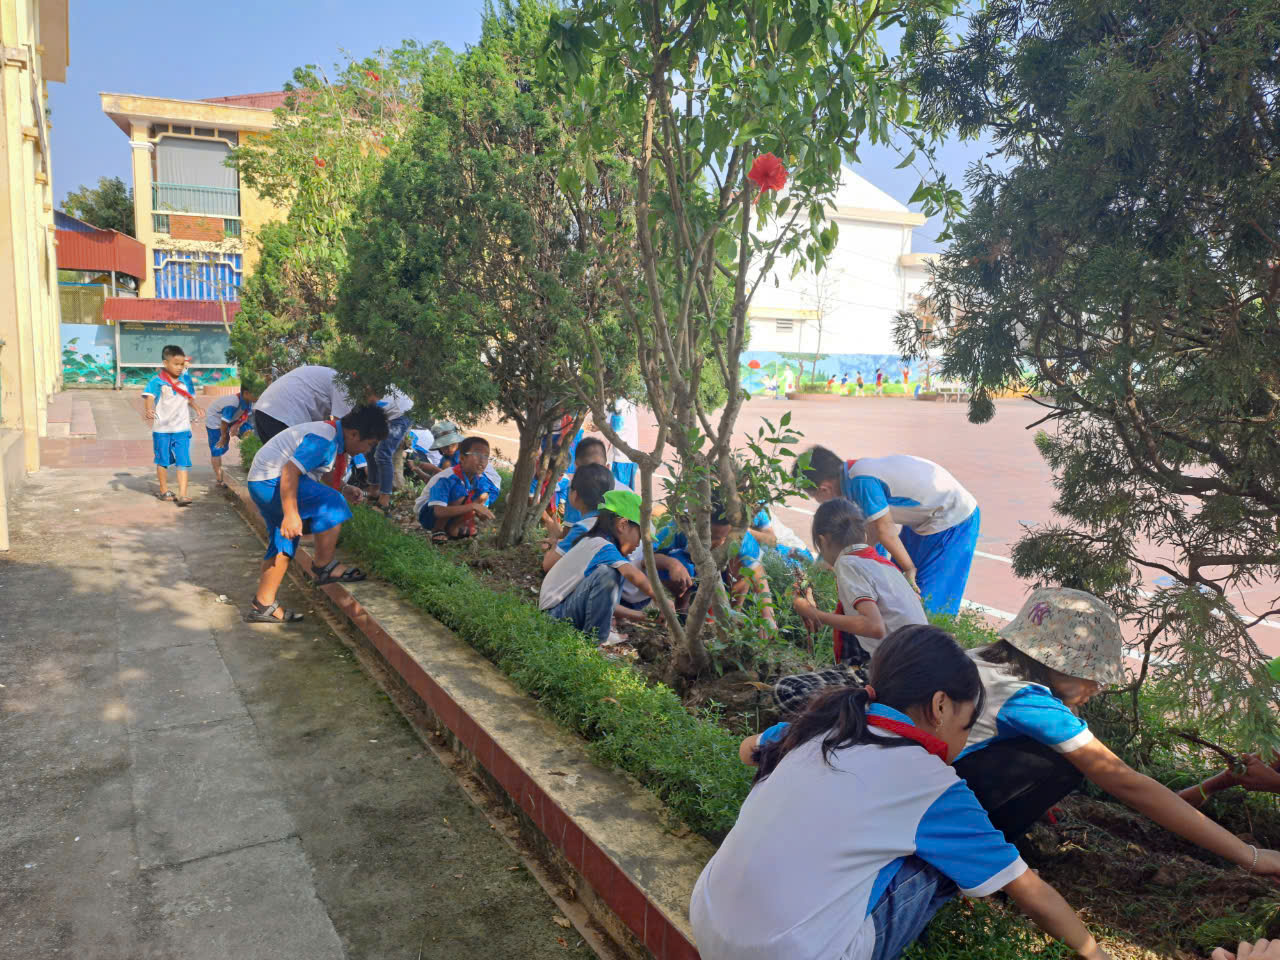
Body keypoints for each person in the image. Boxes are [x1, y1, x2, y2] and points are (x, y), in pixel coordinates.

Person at [697, 625, 1111, 960]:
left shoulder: (822, 726)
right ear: (940, 706)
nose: (964, 740)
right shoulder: (931, 784)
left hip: (709, 923)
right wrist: (1096, 953)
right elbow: (1028, 890)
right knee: (936, 861)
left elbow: (748, 750)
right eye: (967, 725)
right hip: (800, 954)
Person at [244, 405, 389, 623]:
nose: (367, 451)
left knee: (284, 543)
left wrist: (344, 487)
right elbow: (290, 471)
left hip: (262, 482)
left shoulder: (330, 435)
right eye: (369, 444)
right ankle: (325, 566)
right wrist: (291, 513)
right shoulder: (324, 439)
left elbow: (319, 472)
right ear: (353, 434)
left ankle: (262, 604)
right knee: (333, 503)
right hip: (272, 482)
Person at [796, 445, 980, 616]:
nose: (817, 501)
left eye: (813, 496)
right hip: (922, 519)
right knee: (898, 594)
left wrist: (909, 568)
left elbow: (883, 531)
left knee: (925, 601)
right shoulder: (851, 477)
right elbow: (866, 536)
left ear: (824, 489)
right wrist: (831, 562)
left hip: (951, 518)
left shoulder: (861, 482)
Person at [792, 498, 927, 665]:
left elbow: (874, 626)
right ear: (864, 535)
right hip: (922, 656)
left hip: (903, 667)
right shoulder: (884, 565)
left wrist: (814, 614)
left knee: (792, 682)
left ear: (822, 541)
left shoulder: (848, 563)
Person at [539, 490, 654, 644]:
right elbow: (632, 574)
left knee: (611, 573)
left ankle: (596, 639)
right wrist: (661, 599)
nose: (638, 544)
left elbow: (602, 604)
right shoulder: (601, 545)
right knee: (609, 574)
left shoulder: (603, 545)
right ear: (622, 524)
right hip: (554, 614)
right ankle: (594, 643)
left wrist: (642, 616)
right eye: (639, 536)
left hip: (561, 610)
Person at [655, 502, 776, 632]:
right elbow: (647, 557)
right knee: (676, 562)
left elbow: (758, 574)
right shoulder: (682, 525)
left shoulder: (739, 535)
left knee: (743, 565)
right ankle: (682, 605)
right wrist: (672, 564)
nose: (718, 543)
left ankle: (731, 615)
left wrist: (768, 617)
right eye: (712, 537)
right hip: (690, 569)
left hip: (722, 574)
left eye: (724, 538)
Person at [143, 345, 203, 507]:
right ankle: (164, 491)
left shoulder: (186, 380)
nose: (179, 367)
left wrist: (196, 407)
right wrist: (148, 409)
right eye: (176, 364)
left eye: (182, 364)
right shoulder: (157, 381)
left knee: (183, 460)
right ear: (165, 363)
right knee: (162, 460)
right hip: (162, 430)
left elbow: (189, 397)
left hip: (182, 429)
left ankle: (183, 495)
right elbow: (149, 397)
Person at [252, 365, 366, 443]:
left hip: (264, 409)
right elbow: (340, 432)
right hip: (283, 415)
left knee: (277, 466)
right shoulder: (344, 386)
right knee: (295, 466)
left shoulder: (330, 376)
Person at [414, 436, 496, 542]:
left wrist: (481, 512)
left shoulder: (480, 479)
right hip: (428, 514)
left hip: (447, 511)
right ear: (462, 458)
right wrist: (473, 506)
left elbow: (481, 501)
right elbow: (438, 511)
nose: (482, 460)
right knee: (459, 492)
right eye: (477, 455)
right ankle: (438, 529)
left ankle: (453, 527)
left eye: (486, 456)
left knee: (483, 494)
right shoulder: (447, 478)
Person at [541, 463, 616, 572]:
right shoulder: (613, 521)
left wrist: (554, 538)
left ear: (575, 495)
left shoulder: (583, 528)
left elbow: (547, 565)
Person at [364, 386, 414, 514]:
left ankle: (384, 502)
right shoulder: (353, 388)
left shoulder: (369, 384)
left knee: (383, 454)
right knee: (369, 448)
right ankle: (374, 491)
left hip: (402, 414)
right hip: (386, 414)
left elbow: (372, 400)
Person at [204, 385, 258, 488]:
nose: (258, 396)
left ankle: (249, 461)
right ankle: (219, 479)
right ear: (246, 393)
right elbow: (224, 423)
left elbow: (245, 414)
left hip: (232, 419)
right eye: (256, 393)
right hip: (216, 422)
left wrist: (237, 425)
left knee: (248, 431)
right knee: (217, 449)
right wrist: (224, 437)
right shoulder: (232, 403)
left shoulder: (249, 400)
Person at [748, 505, 814, 564]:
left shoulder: (756, 505)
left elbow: (771, 540)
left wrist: (745, 530)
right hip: (781, 550)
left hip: (793, 551)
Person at [608, 398, 640, 491]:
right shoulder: (631, 402)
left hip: (621, 457)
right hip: (631, 455)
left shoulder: (618, 404)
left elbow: (615, 427)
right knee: (628, 492)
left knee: (619, 492)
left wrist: (598, 427)